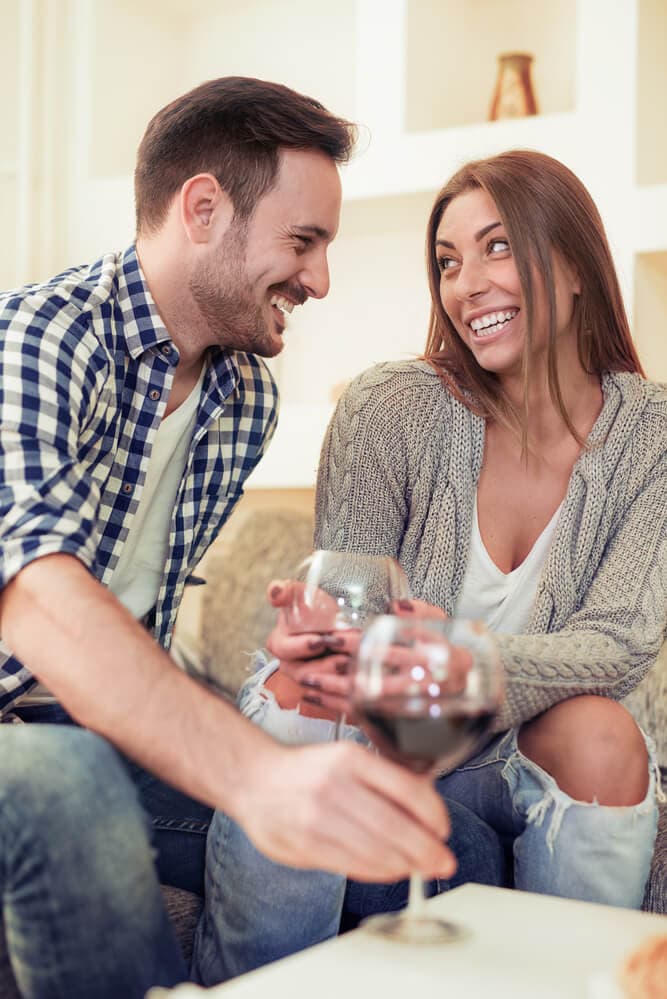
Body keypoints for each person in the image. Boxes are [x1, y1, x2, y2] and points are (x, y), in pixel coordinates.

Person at [0, 76, 487, 999]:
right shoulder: (37, 340)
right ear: (203, 209)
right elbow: (39, 600)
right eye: (303, 242)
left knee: (436, 836)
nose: (320, 280)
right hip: (23, 731)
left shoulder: (242, 398)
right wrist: (254, 779)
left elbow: (137, 616)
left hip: (104, 728)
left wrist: (297, 662)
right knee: (66, 783)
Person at [194, 149, 666, 983]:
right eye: (447, 262)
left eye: (495, 247)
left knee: (604, 730)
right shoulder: (391, 406)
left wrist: (467, 661)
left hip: (524, 745)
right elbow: (346, 606)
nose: (466, 283)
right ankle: (252, 983)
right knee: (301, 692)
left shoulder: (652, 434)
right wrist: (328, 637)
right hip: (391, 729)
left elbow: (620, 638)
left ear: (575, 262)